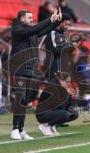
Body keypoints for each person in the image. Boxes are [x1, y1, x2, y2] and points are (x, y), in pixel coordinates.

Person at [10, 8, 62, 140]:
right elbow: (34, 29)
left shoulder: (30, 31)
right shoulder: (17, 29)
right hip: (18, 70)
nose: (31, 20)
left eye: (32, 17)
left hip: (29, 71)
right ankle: (15, 129)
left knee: (25, 101)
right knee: (20, 99)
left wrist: (55, 22)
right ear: (22, 19)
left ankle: (21, 130)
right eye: (29, 18)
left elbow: (43, 30)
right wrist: (49, 19)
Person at [36, 72, 78, 136]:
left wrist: (70, 96)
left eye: (69, 82)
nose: (69, 84)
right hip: (42, 114)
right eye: (67, 82)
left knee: (74, 114)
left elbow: (67, 106)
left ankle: (52, 125)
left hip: (52, 111)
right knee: (65, 114)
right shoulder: (53, 87)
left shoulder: (62, 88)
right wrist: (67, 94)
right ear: (61, 81)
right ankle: (45, 126)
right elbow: (59, 106)